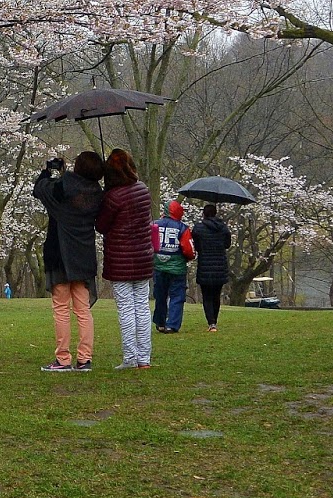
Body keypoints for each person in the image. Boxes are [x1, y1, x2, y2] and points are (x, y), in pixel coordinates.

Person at [32, 151, 106, 371]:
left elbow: (41, 189)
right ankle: (85, 359)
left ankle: (63, 358)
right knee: (83, 310)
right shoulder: (97, 193)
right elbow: (76, 194)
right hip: (83, 255)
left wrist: (48, 170)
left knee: (61, 308)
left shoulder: (62, 188)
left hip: (59, 254)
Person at [95, 148, 154, 369]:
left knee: (126, 309)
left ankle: (130, 357)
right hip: (142, 257)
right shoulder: (143, 190)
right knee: (142, 306)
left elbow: (101, 226)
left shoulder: (113, 197)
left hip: (120, 259)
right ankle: (144, 358)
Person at [151, 200, 195, 333]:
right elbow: (189, 250)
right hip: (177, 269)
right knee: (177, 296)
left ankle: (160, 322)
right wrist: (187, 258)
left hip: (158, 267)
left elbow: (148, 244)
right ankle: (172, 324)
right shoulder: (182, 228)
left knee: (160, 295)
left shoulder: (153, 225)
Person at [190, 203, 231, 332]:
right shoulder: (223, 228)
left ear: (204, 213)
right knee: (216, 295)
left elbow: (196, 246)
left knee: (207, 295)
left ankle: (211, 322)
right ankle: (215, 321)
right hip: (220, 265)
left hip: (205, 265)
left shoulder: (198, 228)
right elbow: (227, 244)